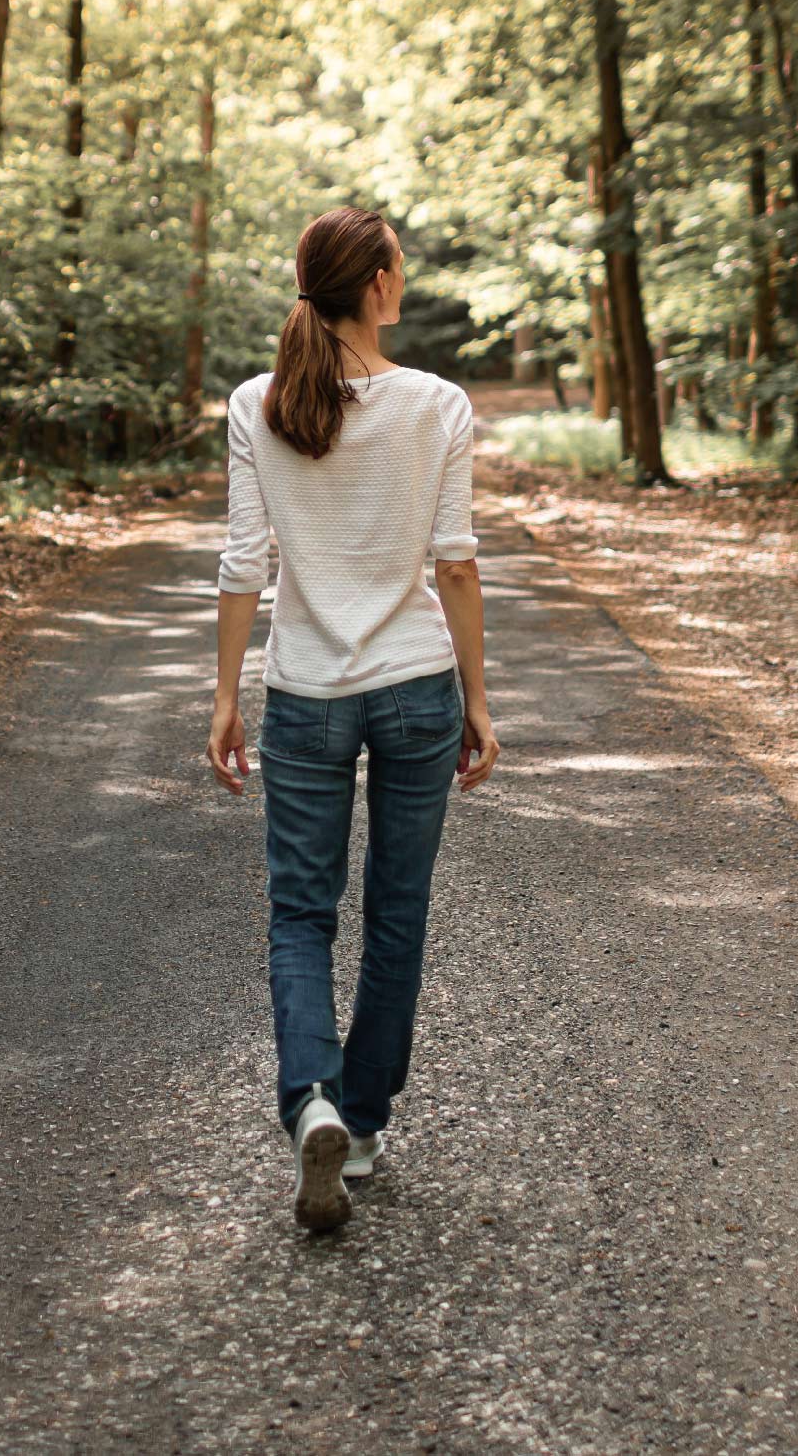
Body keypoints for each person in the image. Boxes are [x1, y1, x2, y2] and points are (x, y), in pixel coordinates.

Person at [207, 205, 499, 1235]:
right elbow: (455, 561)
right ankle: (363, 1126)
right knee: (397, 908)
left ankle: (312, 1100)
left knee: (300, 911)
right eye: (401, 265)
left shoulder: (256, 401)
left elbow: (246, 563)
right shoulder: (437, 403)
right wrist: (475, 695)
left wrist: (224, 698)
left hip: (306, 693)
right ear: (376, 282)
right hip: (417, 684)